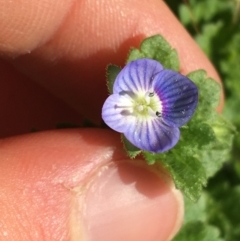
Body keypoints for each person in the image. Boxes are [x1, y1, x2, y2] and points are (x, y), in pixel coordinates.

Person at [0, 0, 223, 240]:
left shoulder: (160, 131)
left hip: (145, 122)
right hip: (133, 107)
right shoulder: (123, 104)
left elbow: (186, 94)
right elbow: (114, 109)